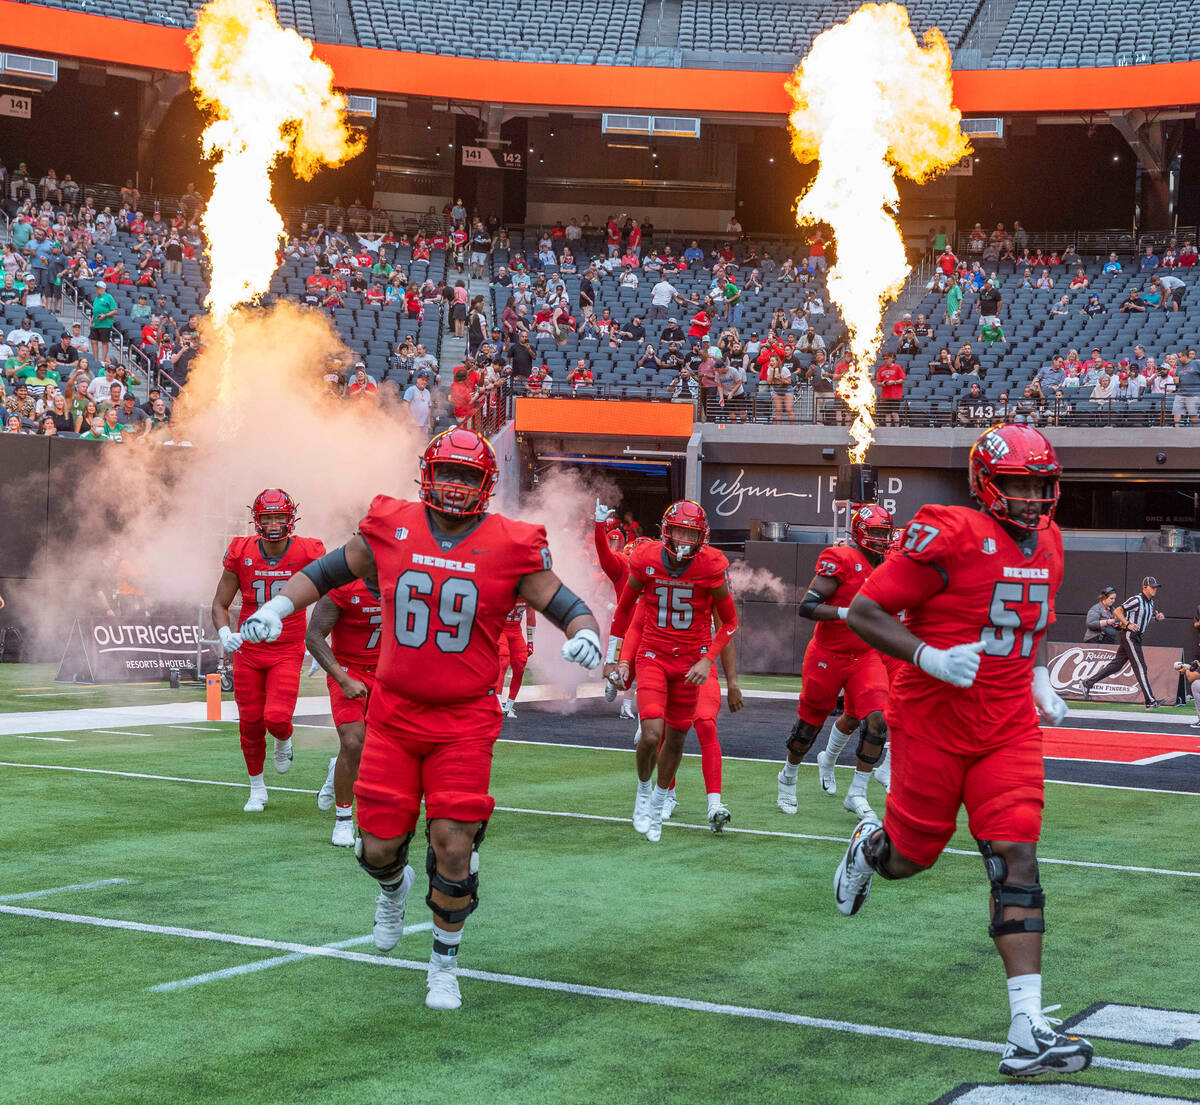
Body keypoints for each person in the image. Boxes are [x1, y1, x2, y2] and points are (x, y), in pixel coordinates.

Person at [236, 428, 601, 1011]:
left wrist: (585, 635)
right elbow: (328, 571)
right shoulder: (391, 524)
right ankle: (393, 888)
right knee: (377, 850)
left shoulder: (510, 542)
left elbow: (565, 603)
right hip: (394, 716)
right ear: (426, 474)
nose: (455, 485)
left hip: (463, 720)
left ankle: (442, 964)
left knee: (453, 843)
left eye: (467, 475)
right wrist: (278, 606)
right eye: (447, 473)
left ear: (484, 485)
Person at [836, 423, 1093, 1080]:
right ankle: (868, 847)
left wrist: (1036, 677)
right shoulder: (948, 532)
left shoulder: (1054, 542)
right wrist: (926, 653)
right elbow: (864, 611)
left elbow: (1031, 621)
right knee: (909, 857)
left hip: (1006, 725)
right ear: (986, 482)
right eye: (1018, 484)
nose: (1033, 498)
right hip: (932, 719)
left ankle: (1025, 1027)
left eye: (1040, 485)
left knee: (1017, 855)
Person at [605, 501, 741, 840]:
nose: (683, 538)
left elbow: (730, 622)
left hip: (691, 662)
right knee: (652, 733)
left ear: (701, 536)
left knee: (679, 737)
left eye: (690, 533)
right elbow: (624, 611)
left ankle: (660, 801)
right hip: (653, 654)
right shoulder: (646, 558)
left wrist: (708, 659)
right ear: (667, 530)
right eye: (679, 530)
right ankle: (643, 790)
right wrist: (615, 656)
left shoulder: (711, 565)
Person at [210, 489, 327, 812]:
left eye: (279, 517)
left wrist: (320, 641)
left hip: (287, 647)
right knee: (249, 721)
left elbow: (331, 598)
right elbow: (220, 604)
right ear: (256, 520)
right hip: (248, 647)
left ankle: (283, 738)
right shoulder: (241, 550)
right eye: (267, 517)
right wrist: (225, 633)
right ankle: (257, 788)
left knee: (276, 717)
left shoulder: (308, 550)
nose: (274, 524)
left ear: (291, 518)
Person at [777, 504, 894, 822]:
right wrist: (847, 613)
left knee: (878, 720)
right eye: (876, 533)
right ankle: (788, 776)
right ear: (859, 532)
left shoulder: (891, 565)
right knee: (809, 726)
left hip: (865, 656)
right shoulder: (841, 559)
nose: (882, 540)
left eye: (886, 534)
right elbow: (808, 606)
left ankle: (856, 792)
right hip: (827, 655)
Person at [306, 578, 383, 847]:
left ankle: (335, 771)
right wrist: (341, 677)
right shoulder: (344, 583)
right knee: (352, 740)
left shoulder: (407, 580)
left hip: (387, 675)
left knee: (376, 751)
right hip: (350, 670)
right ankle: (343, 820)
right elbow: (313, 635)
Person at [1075, 577, 1166, 708]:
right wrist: (1127, 623)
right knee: (1141, 667)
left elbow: (1143, 618)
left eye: (1156, 587)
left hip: (1136, 636)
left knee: (1116, 666)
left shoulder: (1150, 603)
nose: (1155, 589)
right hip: (1130, 636)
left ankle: (1087, 683)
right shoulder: (1137, 599)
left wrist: (1156, 618)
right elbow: (1118, 610)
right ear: (1144, 587)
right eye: (1152, 587)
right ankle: (1150, 701)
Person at [496, 600, 535, 719]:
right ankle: (497, 703)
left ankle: (509, 706)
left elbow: (531, 619)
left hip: (515, 631)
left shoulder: (529, 594)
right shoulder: (503, 589)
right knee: (503, 660)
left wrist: (531, 642)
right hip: (499, 629)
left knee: (520, 665)